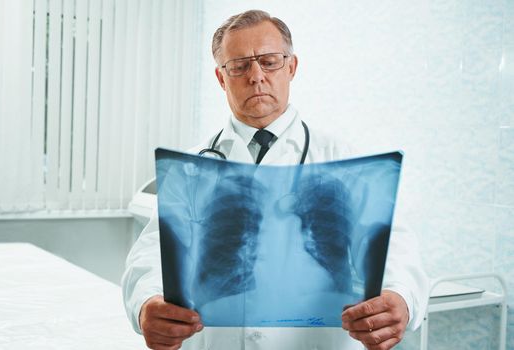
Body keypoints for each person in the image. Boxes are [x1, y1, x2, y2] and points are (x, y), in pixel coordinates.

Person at [122, 9, 428, 350]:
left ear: (291, 67)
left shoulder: (344, 159)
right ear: (222, 78)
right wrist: (146, 303)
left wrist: (400, 296)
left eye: (269, 61)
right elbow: (150, 254)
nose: (256, 76)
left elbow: (395, 248)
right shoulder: (192, 167)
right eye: (239, 66)